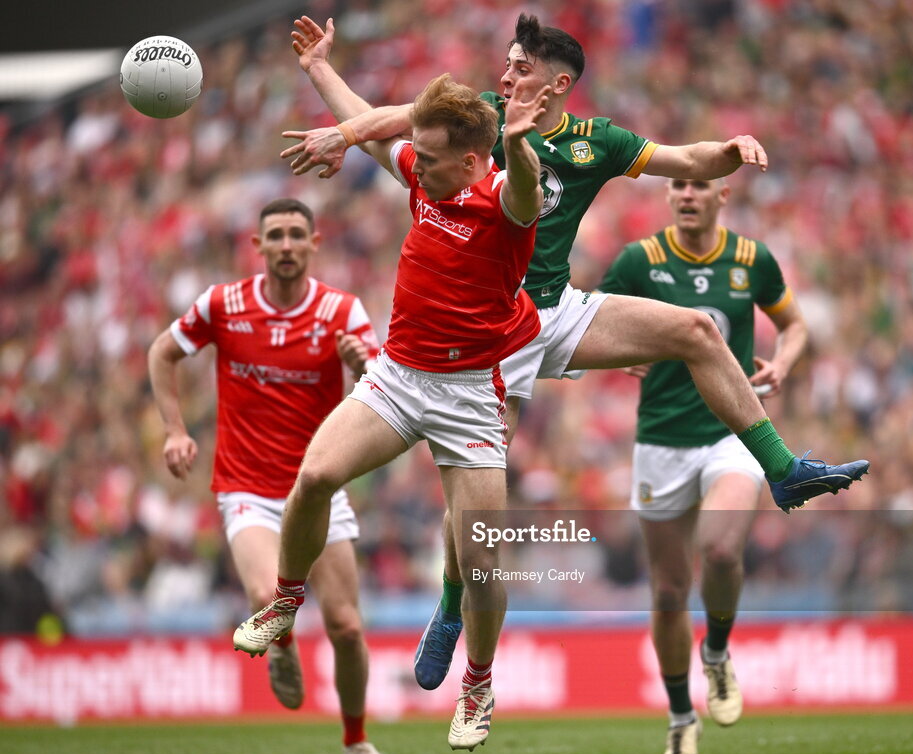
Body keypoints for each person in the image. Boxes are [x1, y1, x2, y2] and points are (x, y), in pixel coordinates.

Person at [281, 13, 869, 693]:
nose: (505, 76)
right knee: (473, 516)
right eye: (505, 64)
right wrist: (326, 82)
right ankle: (450, 607)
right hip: (486, 332)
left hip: (553, 311)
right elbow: (388, 118)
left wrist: (733, 149)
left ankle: (782, 470)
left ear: (559, 84)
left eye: (520, 67)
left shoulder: (599, 142)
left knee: (698, 332)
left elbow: (689, 159)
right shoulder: (481, 119)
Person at [232, 74, 550, 752]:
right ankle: (286, 600)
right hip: (400, 376)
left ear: (468, 160)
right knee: (315, 476)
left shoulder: (504, 198)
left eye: (429, 158)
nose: (416, 164)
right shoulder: (427, 173)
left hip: (468, 393)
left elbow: (524, 191)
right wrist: (319, 70)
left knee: (482, 560)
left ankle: (478, 684)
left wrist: (520, 144)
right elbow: (373, 127)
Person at [147, 198, 390, 754]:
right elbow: (162, 353)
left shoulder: (342, 311)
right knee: (265, 599)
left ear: (314, 243)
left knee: (348, 627)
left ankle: (356, 739)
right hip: (247, 487)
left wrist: (360, 366)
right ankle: (281, 645)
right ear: (257, 246)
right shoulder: (222, 304)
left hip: (316, 490)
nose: (285, 244)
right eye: (275, 235)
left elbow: (385, 389)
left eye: (295, 235)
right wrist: (174, 430)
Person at [600, 177, 808, 754]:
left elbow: (794, 324)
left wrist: (784, 364)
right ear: (669, 198)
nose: (688, 194)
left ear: (722, 198)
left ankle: (715, 653)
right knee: (669, 589)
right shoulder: (639, 260)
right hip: (661, 439)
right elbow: (589, 321)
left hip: (732, 433)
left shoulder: (751, 259)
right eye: (679, 185)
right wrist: (625, 355)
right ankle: (679, 713)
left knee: (720, 551)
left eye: (700, 186)